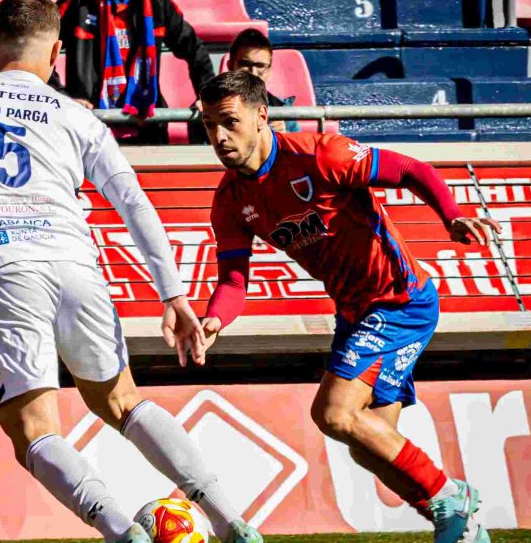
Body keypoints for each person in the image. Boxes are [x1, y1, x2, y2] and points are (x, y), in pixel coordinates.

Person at [0, 0, 261, 543]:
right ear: (58, 52)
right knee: (122, 402)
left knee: (34, 434)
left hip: (2, 268)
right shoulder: (73, 114)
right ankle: (230, 516)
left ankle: (122, 532)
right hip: (77, 264)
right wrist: (174, 297)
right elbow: (134, 202)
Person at [197, 71, 498, 543]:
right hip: (356, 313)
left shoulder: (320, 154)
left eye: (229, 122)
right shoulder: (231, 200)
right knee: (366, 440)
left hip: (399, 300)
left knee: (334, 414)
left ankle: (449, 496)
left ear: (261, 115)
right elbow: (234, 279)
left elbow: (411, 170)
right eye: (208, 125)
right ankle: (460, 526)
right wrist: (214, 318)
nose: (218, 136)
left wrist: (453, 217)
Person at [52, 0, 213, 144]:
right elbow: (39, 49)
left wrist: (207, 95)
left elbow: (195, 50)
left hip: (146, 123)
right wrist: (63, 97)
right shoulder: (78, 2)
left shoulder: (158, 3)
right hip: (90, 123)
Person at [224, 28, 299, 134]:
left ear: (269, 70)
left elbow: (301, 148)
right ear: (230, 66)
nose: (253, 73)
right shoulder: (210, 108)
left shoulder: (283, 110)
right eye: (246, 64)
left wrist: (284, 138)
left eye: (260, 66)